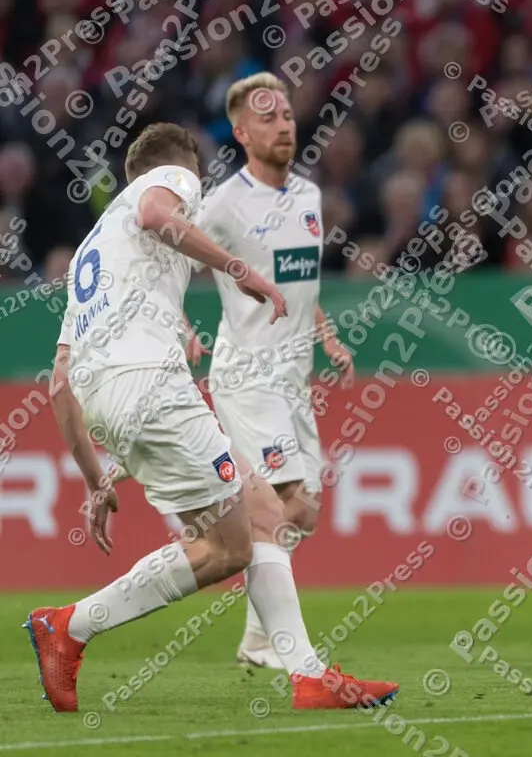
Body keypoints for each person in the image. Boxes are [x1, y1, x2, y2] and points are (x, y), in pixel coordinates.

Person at [26, 122, 398, 712]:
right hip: (152, 386)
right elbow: (156, 213)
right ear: (185, 171)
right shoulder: (170, 177)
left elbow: (60, 383)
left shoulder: (88, 257)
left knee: (255, 524)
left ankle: (306, 675)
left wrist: (96, 476)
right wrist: (238, 269)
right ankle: (70, 627)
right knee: (240, 540)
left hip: (108, 401)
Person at [185, 73, 355, 670]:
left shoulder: (307, 196)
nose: (282, 124)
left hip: (293, 376)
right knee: (283, 500)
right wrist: (180, 322)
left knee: (302, 511)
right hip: (247, 373)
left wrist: (326, 332)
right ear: (240, 132)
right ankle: (289, 649)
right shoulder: (224, 204)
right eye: (267, 117)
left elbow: (297, 283)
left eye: (285, 113)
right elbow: (172, 255)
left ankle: (257, 635)